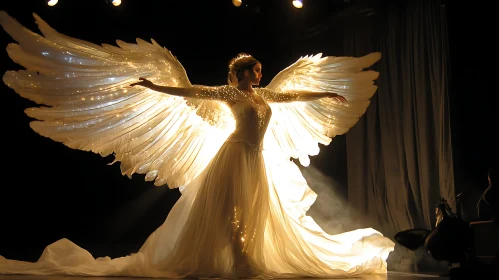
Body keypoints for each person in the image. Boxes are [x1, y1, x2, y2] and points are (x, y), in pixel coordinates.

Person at [0, 11, 395, 279]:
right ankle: (238, 258)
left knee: (257, 211)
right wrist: (155, 85)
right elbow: (189, 89)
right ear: (241, 72)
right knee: (232, 210)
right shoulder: (228, 93)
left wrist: (325, 93)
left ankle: (243, 256)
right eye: (255, 69)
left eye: (260, 69)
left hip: (256, 159)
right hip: (234, 155)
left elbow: (292, 97)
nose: (260, 73)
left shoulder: (264, 96)